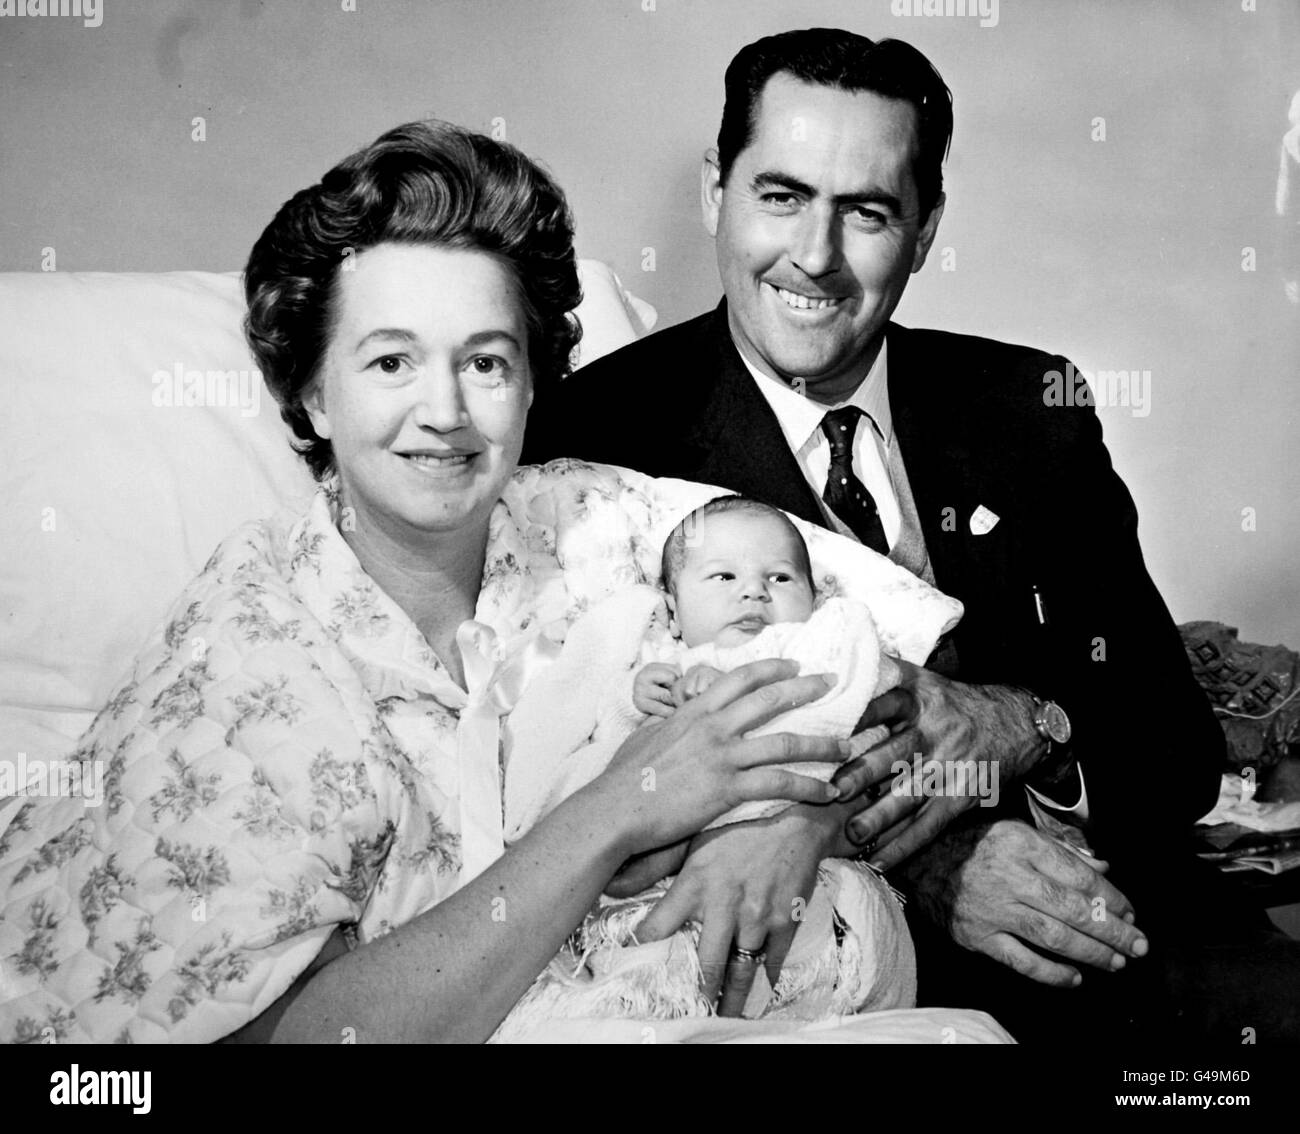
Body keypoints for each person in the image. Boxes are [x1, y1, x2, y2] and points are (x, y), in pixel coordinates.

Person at [0, 119, 1010, 1045]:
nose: (443, 411)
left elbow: (870, 659)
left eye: (485, 362)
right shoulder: (253, 652)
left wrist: (796, 819)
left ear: (533, 380)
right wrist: (620, 807)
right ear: (311, 393)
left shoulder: (593, 518)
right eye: (390, 363)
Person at [522, 28, 1300, 1041]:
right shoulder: (599, 435)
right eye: (781, 195)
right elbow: (577, 774)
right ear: (720, 186)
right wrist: (932, 862)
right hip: (817, 964)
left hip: (1108, 923)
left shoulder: (1027, 406)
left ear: (926, 227)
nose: (815, 255)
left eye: (868, 211)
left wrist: (1025, 725)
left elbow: (1172, 750)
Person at [497, 495, 930, 1034]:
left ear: (815, 600)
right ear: (673, 609)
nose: (753, 590)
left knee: (845, 940)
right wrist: (636, 699)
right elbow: (602, 750)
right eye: (723, 577)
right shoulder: (656, 662)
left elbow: (854, 715)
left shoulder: (813, 648)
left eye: (780, 578)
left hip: (798, 863)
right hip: (661, 886)